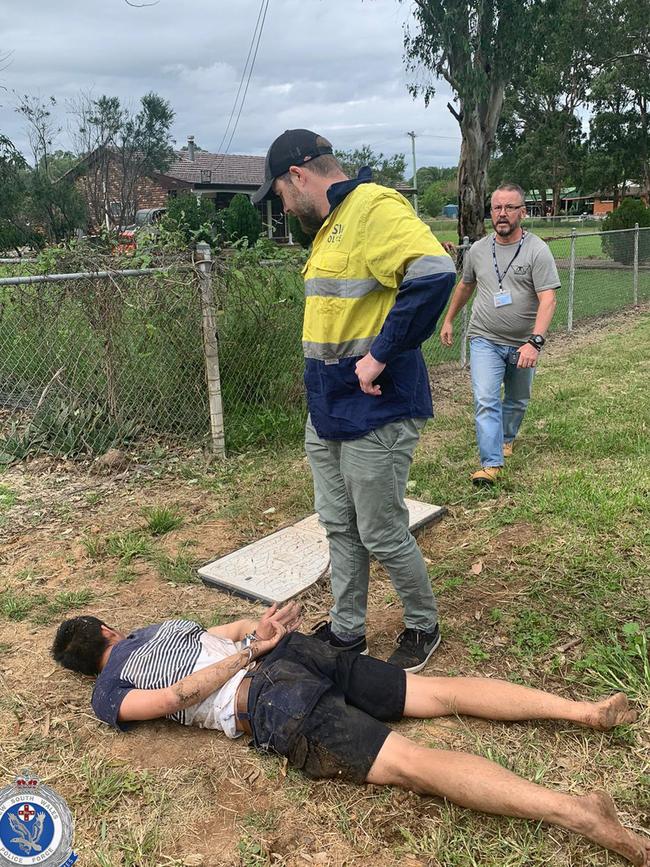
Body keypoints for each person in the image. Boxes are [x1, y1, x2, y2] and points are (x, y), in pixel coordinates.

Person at [52, 604, 648, 867]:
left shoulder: (108, 695)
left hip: (265, 694)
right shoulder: (157, 631)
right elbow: (226, 634)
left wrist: (248, 647)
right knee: (436, 691)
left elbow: (177, 697)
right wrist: (253, 637)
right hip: (286, 658)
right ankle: (583, 711)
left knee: (410, 762)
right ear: (109, 629)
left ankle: (576, 813)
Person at [252, 129, 457, 671]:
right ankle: (347, 631)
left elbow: (435, 272)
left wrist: (381, 354)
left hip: (377, 406)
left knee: (381, 529)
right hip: (329, 408)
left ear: (298, 175)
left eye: (278, 191)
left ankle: (422, 625)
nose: (279, 203)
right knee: (339, 525)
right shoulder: (326, 228)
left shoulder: (373, 207)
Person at [440, 183, 560, 485]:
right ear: (490, 212)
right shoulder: (479, 250)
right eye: (496, 208)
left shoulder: (537, 250)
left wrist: (535, 342)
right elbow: (466, 285)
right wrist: (449, 319)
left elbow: (548, 299)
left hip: (523, 343)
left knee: (518, 400)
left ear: (522, 212)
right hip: (484, 338)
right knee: (485, 398)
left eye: (509, 207)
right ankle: (490, 464)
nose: (502, 214)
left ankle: (507, 437)